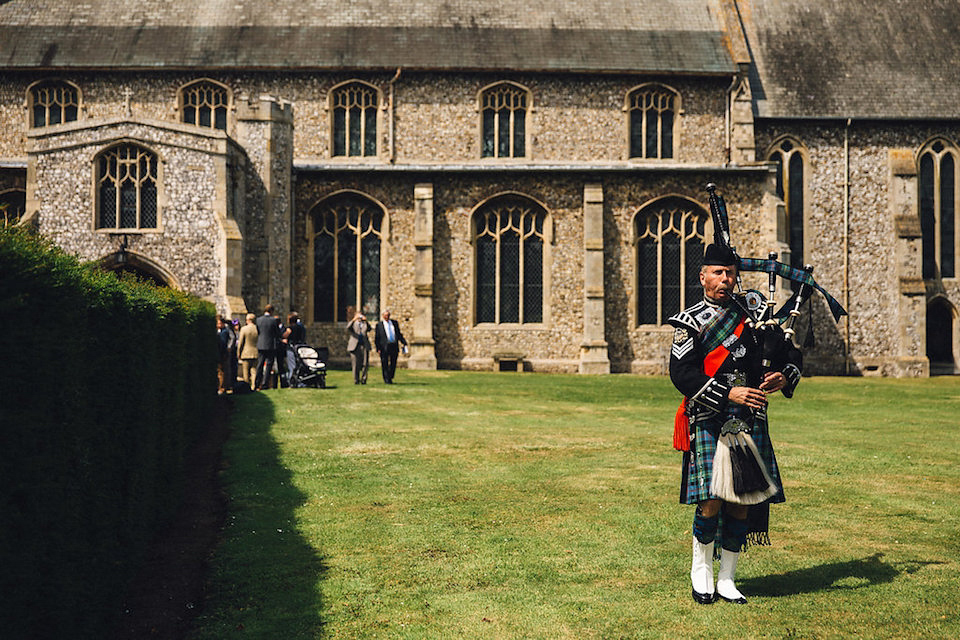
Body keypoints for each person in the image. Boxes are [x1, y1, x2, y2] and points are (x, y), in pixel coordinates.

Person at [667, 243, 802, 606]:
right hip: (709, 417)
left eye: (729, 273)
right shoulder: (690, 322)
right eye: (717, 273)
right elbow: (681, 374)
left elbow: (791, 355)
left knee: (741, 499)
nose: (724, 280)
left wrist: (784, 377)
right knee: (710, 499)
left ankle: (727, 577)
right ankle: (702, 572)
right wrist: (730, 394)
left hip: (749, 419)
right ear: (703, 277)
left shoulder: (754, 319)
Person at [374, 310, 408, 384]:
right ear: (383, 316)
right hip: (384, 347)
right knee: (384, 363)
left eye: (388, 315)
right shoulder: (379, 325)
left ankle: (390, 376)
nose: (387, 317)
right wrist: (378, 348)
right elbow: (377, 338)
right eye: (385, 315)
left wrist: (404, 342)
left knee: (393, 363)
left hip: (393, 345)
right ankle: (386, 379)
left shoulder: (394, 323)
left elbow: (398, 334)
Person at [255, 304, 281, 390]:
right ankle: (265, 383)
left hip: (261, 344)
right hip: (270, 345)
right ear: (272, 311)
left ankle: (257, 383)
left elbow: (258, 331)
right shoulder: (273, 320)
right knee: (269, 365)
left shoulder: (258, 320)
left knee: (260, 364)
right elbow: (277, 333)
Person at [346, 306, 371, 385]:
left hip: (364, 345)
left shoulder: (364, 324)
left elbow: (369, 329)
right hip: (354, 345)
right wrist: (353, 319)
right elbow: (348, 328)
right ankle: (356, 380)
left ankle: (364, 379)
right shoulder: (353, 324)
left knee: (365, 363)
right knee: (355, 364)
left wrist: (366, 321)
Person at [282, 311, 306, 387]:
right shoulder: (301, 327)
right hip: (300, 346)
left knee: (292, 365)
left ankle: (292, 381)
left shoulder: (290, 328)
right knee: (299, 363)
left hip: (292, 347)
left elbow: (285, 335)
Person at [237, 313, 259, 390]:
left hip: (245, 352)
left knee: (245, 371)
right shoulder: (257, 329)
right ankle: (253, 386)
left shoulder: (244, 329)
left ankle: (246, 387)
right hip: (255, 351)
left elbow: (240, 343)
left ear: (248, 320)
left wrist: (238, 352)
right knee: (254, 371)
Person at [215, 315, 233, 395]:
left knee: (223, 371)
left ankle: (222, 387)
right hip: (220, 353)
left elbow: (230, 339)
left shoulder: (225, 331)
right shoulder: (219, 331)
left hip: (223, 353)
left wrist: (228, 348)